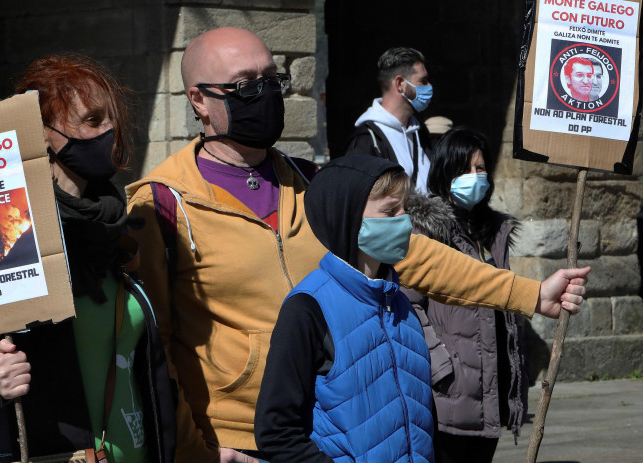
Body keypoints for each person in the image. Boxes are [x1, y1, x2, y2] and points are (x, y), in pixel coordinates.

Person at [125, 27, 590, 463]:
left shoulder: (314, 185)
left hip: (336, 438)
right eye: (245, 85)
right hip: (239, 446)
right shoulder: (163, 203)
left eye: (272, 79)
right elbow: (155, 346)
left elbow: (415, 255)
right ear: (198, 100)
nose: (265, 94)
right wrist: (193, 452)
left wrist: (528, 293)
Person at [0, 54, 175, 463]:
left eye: (112, 119)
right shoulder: (1, 234)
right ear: (41, 133)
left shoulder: (124, 228)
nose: (109, 132)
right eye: (92, 121)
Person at [253, 155, 584, 463]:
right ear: (349, 218)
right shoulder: (308, 309)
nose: (405, 222)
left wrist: (534, 295)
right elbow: (276, 432)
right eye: (390, 211)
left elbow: (418, 417)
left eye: (405, 209)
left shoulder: (400, 306)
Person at [403, 127, 527, 463]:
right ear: (444, 173)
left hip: (492, 386)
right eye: (464, 169)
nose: (474, 176)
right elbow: (410, 306)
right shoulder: (426, 231)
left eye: (480, 168)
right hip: (449, 392)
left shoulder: (494, 232)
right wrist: (441, 364)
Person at [344, 47, 433, 193]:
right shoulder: (366, 141)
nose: (429, 86)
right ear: (400, 84)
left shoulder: (420, 132)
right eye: (423, 81)